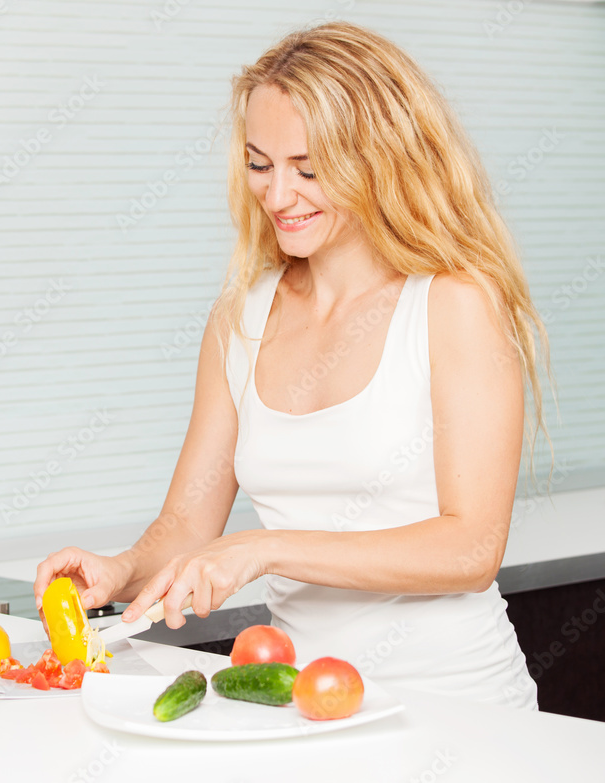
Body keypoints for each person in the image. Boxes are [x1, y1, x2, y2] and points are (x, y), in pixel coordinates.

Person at [33, 21, 550, 708]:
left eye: (309, 168)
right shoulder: (239, 321)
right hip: (302, 704)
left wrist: (265, 549)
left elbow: (470, 548)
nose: (277, 196)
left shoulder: (454, 303)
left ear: (382, 157)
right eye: (260, 163)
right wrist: (120, 569)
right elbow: (188, 527)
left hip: (458, 708)